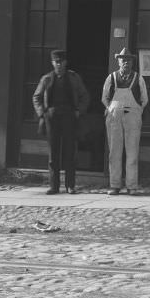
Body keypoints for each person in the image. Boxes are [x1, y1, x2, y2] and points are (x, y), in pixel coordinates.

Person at [32, 50, 90, 195]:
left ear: (65, 63)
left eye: (61, 62)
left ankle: (70, 185)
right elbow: (36, 97)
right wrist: (42, 113)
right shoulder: (46, 79)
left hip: (69, 116)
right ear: (52, 63)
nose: (59, 64)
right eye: (56, 62)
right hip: (52, 117)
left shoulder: (74, 78)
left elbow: (84, 96)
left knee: (70, 152)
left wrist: (79, 111)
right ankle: (54, 186)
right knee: (53, 153)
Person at [101, 47, 148, 195]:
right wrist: (110, 108)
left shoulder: (138, 78)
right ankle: (114, 185)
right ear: (118, 62)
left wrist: (137, 110)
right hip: (114, 117)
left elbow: (144, 99)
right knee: (114, 152)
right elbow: (104, 97)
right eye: (123, 60)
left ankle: (131, 186)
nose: (126, 62)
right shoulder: (112, 77)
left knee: (132, 152)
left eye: (128, 60)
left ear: (132, 62)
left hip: (132, 117)